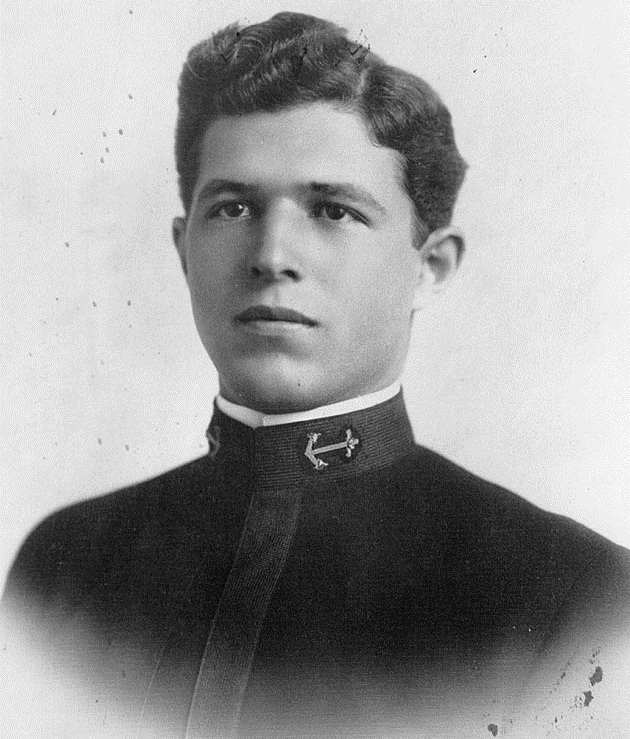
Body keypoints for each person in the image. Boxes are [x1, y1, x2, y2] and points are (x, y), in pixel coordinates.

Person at [2, 12, 629, 739]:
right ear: (183, 249)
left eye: (333, 210)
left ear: (431, 265)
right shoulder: (66, 568)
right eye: (233, 207)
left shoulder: (578, 598)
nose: (272, 255)